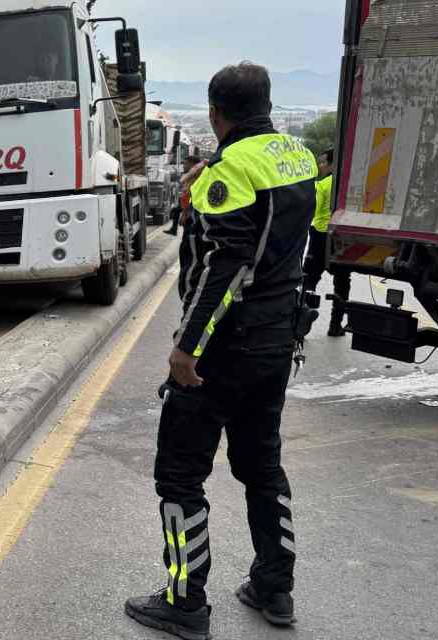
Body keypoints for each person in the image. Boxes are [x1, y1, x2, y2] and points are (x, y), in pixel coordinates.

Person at [124, 62, 317, 640]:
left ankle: (185, 602)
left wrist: (187, 349)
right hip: (278, 341)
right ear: (268, 104)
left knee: (179, 476)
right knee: (263, 467)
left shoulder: (229, 172)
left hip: (226, 349)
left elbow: (222, 269)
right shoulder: (296, 158)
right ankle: (274, 586)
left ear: (215, 112)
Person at [302, 149, 351, 337]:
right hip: (340, 238)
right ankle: (335, 326)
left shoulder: (321, 185)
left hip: (320, 236)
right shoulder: (346, 186)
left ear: (332, 164)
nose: (319, 165)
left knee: (309, 280)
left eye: (322, 162)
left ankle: (301, 324)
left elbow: (311, 210)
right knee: (342, 284)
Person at [165, 155, 202, 236]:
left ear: (193, 165)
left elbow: (190, 196)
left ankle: (174, 230)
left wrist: (185, 214)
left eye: (186, 164)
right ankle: (174, 229)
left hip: (192, 210)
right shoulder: (189, 174)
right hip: (188, 207)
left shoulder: (196, 175)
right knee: (175, 211)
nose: (184, 166)